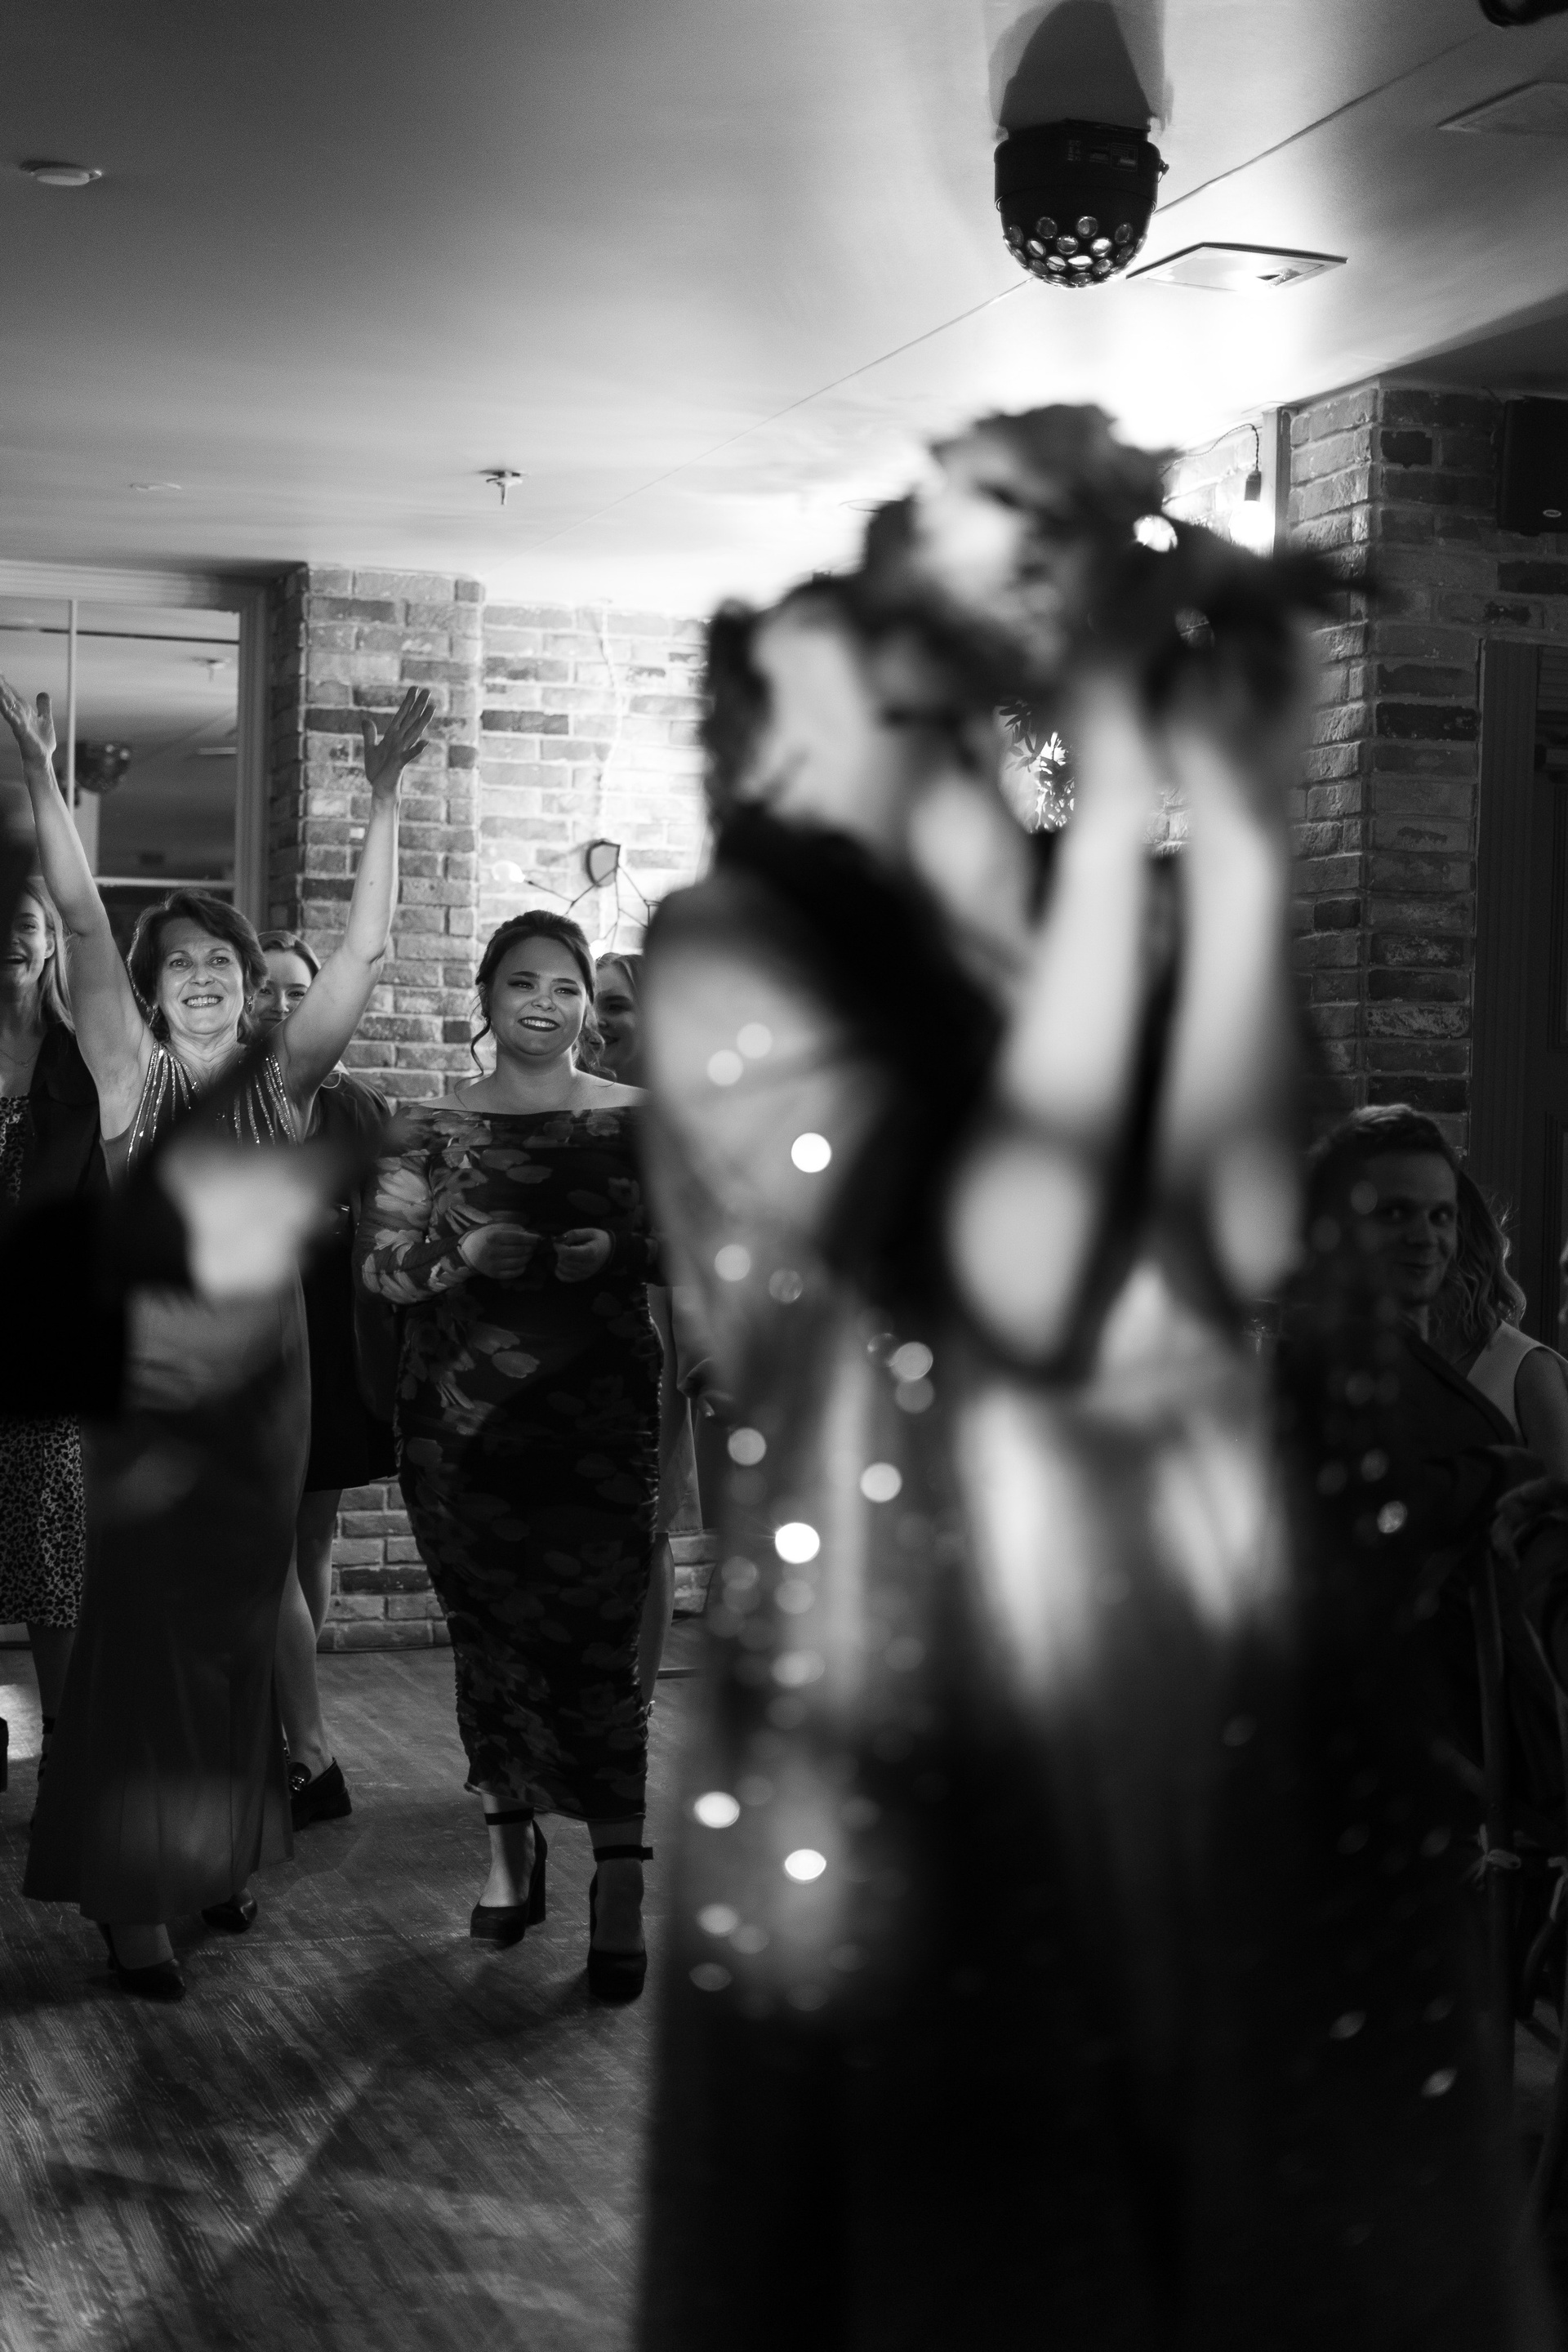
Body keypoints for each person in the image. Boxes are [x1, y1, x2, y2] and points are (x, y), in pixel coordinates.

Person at [635, 408, 1548, 2349]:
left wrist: (1213, 815)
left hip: (1199, 1625)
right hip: (913, 1662)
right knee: (979, 2196)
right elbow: (1007, 1260)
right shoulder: (738, 958)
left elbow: (1254, 1201)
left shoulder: (1099, 906)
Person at [2, 667, 431, 2002]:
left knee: (242, 1637)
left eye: (220, 963)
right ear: (147, 991)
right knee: (144, 1645)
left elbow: (363, 956)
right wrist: (41, 779)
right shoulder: (127, 1079)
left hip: (267, 1399)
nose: (200, 977)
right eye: (178, 963)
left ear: (250, 989)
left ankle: (215, 1850)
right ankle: (134, 1900)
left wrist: (383, 800)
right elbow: (80, 915)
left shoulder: (284, 1086)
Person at [358, 909, 661, 1997]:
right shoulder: (424, 1127)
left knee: (599, 1648)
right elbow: (383, 1267)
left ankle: (620, 1877)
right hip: (460, 1432)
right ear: (486, 997)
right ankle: (507, 1849)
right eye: (523, 983)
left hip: (600, 1427)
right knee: (489, 1641)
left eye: (565, 986)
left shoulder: (643, 1121)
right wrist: (459, 1253)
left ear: (588, 1006)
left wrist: (616, 1248)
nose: (545, 1002)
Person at [253, 928, 397, 1828]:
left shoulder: (361, 1107)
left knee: (310, 1534)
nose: (280, 1003)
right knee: (264, 1542)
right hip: (255, 1345)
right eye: (265, 987)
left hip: (336, 1344)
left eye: (297, 989)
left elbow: (391, 1231)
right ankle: (290, 1731)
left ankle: (300, 1723)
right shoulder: (220, 1095)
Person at [0, 879, 104, 1788]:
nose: (11, 937)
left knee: (50, 1539)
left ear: (49, 941)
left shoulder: (83, 1060)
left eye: (26, 923)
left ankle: (69, 1752)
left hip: (44, 1336)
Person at [596, 949, 706, 1700]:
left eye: (618, 1005)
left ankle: (632, 1705)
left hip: (651, 1335)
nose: (600, 1021)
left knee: (643, 1528)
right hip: (567, 1336)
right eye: (597, 1004)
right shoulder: (571, 1106)